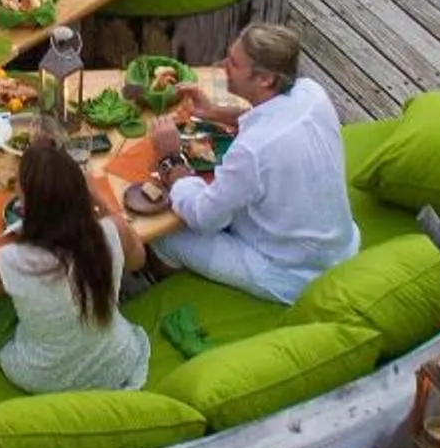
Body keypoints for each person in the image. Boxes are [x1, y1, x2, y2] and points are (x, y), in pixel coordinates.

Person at [146, 23, 358, 304]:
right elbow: (271, 116)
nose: (222, 66)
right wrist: (213, 112)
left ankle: (178, 296)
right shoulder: (312, 92)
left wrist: (170, 158)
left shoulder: (252, 150)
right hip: (339, 247)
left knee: (162, 237)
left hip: (292, 274)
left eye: (233, 63)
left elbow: (204, 217)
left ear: (265, 79)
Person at [0, 139, 151, 393]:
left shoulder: (13, 257)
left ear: (29, 207)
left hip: (45, 376)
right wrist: (98, 195)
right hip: (116, 362)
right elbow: (138, 259)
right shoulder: (111, 230)